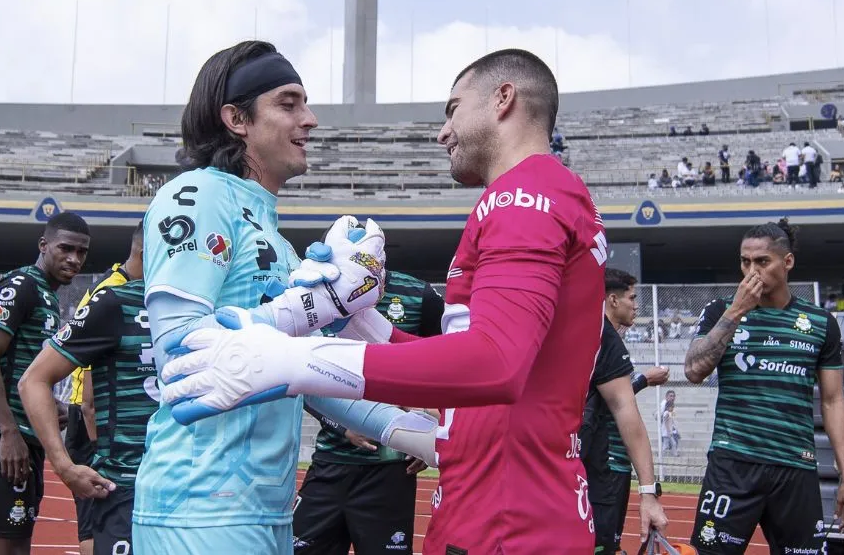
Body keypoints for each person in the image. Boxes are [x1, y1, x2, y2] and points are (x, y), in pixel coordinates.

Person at [161, 48, 610, 554]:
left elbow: (496, 363)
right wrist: (359, 323)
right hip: (505, 500)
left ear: (503, 99)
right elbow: (486, 362)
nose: (443, 132)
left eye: (453, 109)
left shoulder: (522, 197)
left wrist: (294, 357)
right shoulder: (544, 194)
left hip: (506, 520)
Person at [132, 40, 438, 555]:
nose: (310, 119)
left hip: (265, 510)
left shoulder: (276, 237)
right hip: (198, 508)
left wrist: (416, 435)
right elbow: (179, 357)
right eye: (288, 103)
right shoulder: (197, 194)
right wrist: (316, 305)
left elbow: (301, 376)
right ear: (236, 119)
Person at [683, 218, 844, 554]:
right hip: (733, 465)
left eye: (762, 261)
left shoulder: (821, 323)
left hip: (795, 468)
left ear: (787, 261)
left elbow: (833, 401)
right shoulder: (720, 310)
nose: (752, 272)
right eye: (745, 262)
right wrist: (737, 311)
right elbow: (693, 371)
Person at [0, 212, 90, 555]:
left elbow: (23, 372)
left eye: (81, 252)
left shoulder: (48, 296)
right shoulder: (22, 285)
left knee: (19, 542)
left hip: (23, 435)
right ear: (43, 245)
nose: (74, 259)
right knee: (9, 543)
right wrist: (8, 432)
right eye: (65, 248)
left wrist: (47, 406)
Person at [19, 225, 153, 555]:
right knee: (90, 530)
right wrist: (69, 464)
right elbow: (37, 379)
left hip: (177, 482)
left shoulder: (188, 306)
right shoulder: (113, 295)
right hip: (106, 444)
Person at [293, 270, 445, 555]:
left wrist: (427, 432)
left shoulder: (419, 295)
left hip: (390, 470)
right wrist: (341, 425)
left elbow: (447, 367)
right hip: (330, 462)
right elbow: (300, 375)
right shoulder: (317, 295)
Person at [62, 222, 144, 555]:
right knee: (97, 522)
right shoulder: (111, 293)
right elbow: (90, 389)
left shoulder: (121, 287)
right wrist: (98, 442)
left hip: (102, 415)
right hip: (94, 418)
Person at [581, 268, 670, 554]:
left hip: (610, 460)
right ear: (612, 300)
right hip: (603, 463)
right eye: (631, 298)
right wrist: (644, 380)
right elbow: (614, 402)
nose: (636, 305)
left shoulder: (606, 338)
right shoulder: (597, 336)